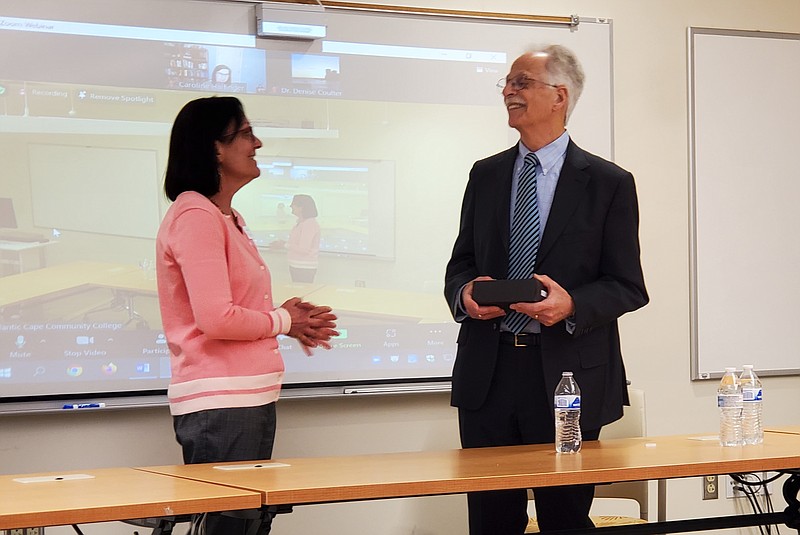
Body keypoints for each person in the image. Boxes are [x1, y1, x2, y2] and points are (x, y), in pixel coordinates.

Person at [444, 44, 648, 534]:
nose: (509, 92)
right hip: (488, 375)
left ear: (559, 95)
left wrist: (573, 304)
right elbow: (460, 264)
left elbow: (628, 286)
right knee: (491, 519)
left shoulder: (608, 183)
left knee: (564, 519)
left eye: (521, 82)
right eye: (507, 84)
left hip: (567, 377)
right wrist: (466, 292)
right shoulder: (486, 174)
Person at [156, 96, 337, 535]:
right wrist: (283, 321)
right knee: (230, 528)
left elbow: (238, 310)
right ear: (215, 148)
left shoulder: (224, 215)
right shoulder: (197, 214)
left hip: (244, 398)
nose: (257, 142)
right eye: (245, 133)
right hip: (222, 403)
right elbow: (216, 318)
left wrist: (288, 320)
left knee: (246, 526)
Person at [270, 194, 321, 283]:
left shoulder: (309, 224)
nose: (290, 206)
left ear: (301, 207)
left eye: (293, 204)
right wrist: (284, 243)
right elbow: (298, 244)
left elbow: (304, 249)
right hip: (298, 266)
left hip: (304, 267)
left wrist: (284, 245)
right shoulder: (301, 223)